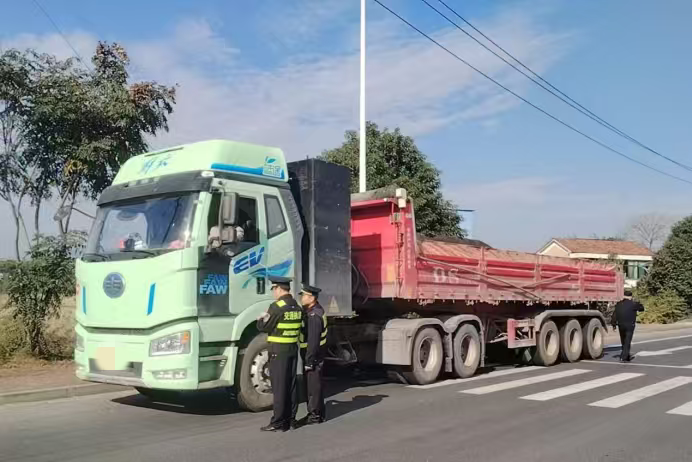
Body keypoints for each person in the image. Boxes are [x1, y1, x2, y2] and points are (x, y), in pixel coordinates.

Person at [257, 276, 303, 432]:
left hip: (278, 351)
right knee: (291, 385)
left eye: (273, 289)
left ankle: (278, 422)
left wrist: (261, 319)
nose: (273, 293)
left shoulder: (276, 307)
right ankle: (291, 420)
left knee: (279, 387)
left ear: (278, 288)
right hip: (292, 349)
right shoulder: (296, 306)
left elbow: (264, 327)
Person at [298, 284, 328, 425]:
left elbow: (313, 341)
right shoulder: (313, 311)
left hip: (313, 355)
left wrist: (309, 361)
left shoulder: (314, 315)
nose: (301, 298)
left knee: (312, 386)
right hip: (315, 354)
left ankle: (314, 415)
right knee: (315, 384)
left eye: (304, 295)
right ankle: (319, 413)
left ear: (312, 298)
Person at [611, 290, 645, 362]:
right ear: (630, 297)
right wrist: (638, 303)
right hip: (630, 325)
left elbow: (614, 315)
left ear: (623, 296)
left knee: (623, 341)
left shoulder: (619, 304)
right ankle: (623, 357)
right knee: (627, 341)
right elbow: (642, 308)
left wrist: (614, 325)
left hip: (620, 325)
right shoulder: (633, 304)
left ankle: (627, 356)